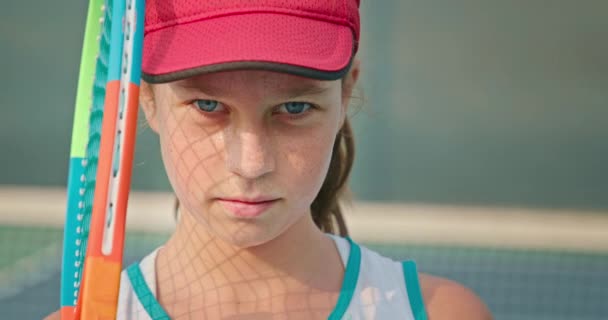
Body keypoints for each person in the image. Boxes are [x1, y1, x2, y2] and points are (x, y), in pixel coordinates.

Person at [47, 0, 492, 319]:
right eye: (206, 106)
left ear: (345, 94)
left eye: (294, 109)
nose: (251, 163)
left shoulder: (443, 313)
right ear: (147, 99)